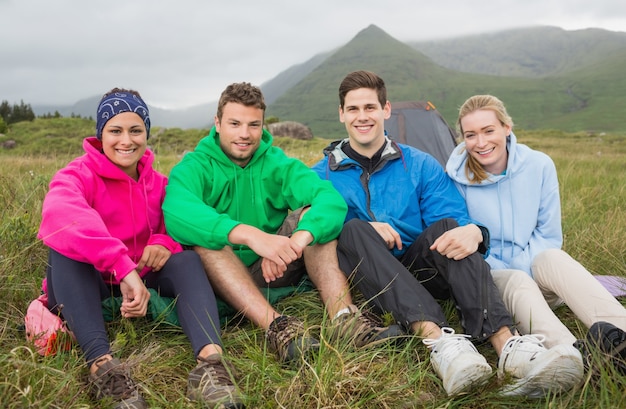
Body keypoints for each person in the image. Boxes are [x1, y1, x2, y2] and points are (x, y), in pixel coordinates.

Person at [311, 70, 584, 398]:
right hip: (369, 275)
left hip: (420, 267)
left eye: (370, 107)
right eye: (353, 109)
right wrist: (363, 229)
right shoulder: (319, 175)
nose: (362, 117)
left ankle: (510, 347)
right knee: (353, 229)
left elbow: (453, 218)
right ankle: (443, 344)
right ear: (341, 114)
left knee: (449, 229)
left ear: (386, 110)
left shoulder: (420, 164)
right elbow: (308, 230)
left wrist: (475, 232)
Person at [162, 82, 401, 365]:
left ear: (263, 125)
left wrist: (297, 239)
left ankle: (344, 320)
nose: (244, 134)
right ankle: (278, 328)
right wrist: (250, 236)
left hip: (272, 268)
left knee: (312, 217)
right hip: (217, 274)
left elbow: (329, 199)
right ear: (217, 123)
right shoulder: (195, 167)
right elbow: (176, 211)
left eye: (253, 125)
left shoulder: (276, 163)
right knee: (206, 241)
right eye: (234, 124)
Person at [37, 89, 243, 409]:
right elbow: (61, 216)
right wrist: (121, 265)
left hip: (145, 275)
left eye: (136, 130)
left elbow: (178, 224)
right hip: (90, 280)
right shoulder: (77, 175)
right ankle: (104, 369)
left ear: (146, 133)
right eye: (115, 131)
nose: (126, 140)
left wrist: (164, 242)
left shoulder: (159, 183)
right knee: (64, 250)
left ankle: (211, 367)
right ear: (100, 134)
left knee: (187, 260)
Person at [446, 93, 626, 375]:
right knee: (517, 280)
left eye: (488, 130)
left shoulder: (539, 165)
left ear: (507, 128)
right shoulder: (454, 179)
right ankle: (577, 356)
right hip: (495, 281)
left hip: (536, 272)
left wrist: (528, 273)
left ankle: (621, 334)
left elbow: (549, 234)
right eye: (470, 135)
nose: (480, 143)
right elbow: (468, 245)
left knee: (553, 257)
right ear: (462, 138)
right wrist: (518, 276)